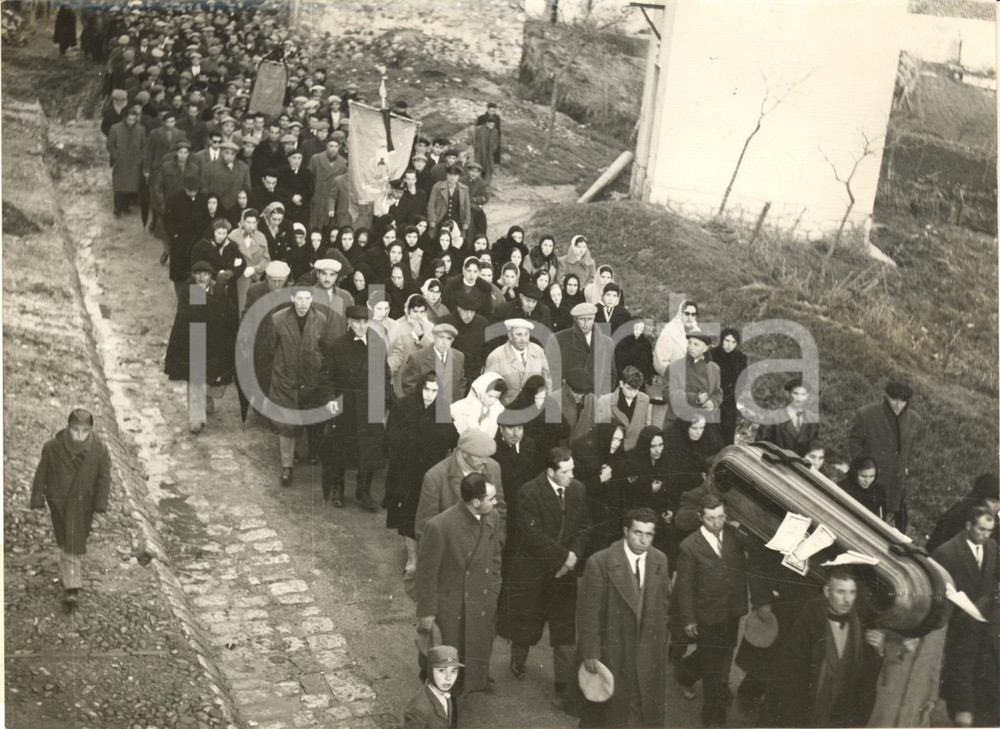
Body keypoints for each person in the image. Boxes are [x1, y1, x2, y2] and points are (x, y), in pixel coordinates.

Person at [500, 447, 590, 699]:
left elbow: (584, 526)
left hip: (565, 571)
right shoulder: (529, 492)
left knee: (564, 630)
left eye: (572, 470)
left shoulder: (578, 490)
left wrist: (573, 557)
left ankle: (563, 685)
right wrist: (564, 556)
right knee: (526, 623)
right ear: (550, 472)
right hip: (534, 570)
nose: (571, 476)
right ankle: (518, 660)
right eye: (565, 472)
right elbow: (533, 536)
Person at [674, 494, 767, 727]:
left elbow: (757, 551)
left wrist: (740, 529)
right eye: (710, 518)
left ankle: (684, 673)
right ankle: (713, 717)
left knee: (721, 653)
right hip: (706, 614)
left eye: (720, 517)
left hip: (732, 611)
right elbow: (684, 587)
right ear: (700, 517)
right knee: (714, 666)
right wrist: (688, 619)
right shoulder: (689, 546)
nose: (716, 523)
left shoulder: (734, 536)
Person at [577, 507, 672, 727]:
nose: (643, 540)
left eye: (649, 534)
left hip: (647, 652)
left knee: (641, 711)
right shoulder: (600, 562)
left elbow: (663, 604)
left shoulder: (659, 560)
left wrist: (661, 639)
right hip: (613, 652)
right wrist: (590, 652)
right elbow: (588, 613)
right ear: (626, 531)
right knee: (606, 715)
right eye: (637, 533)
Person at [415, 473, 503, 696]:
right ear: (476, 502)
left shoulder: (492, 517)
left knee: (477, 648)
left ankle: (474, 681)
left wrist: (494, 590)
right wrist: (427, 612)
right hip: (451, 607)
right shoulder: (440, 526)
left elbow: (495, 558)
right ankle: (444, 703)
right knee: (447, 657)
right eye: (491, 498)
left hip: (481, 600)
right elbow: (426, 574)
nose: (496, 503)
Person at [773, 569, 886, 728]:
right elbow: (790, 675)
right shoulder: (808, 622)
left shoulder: (860, 626)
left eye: (852, 593)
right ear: (827, 591)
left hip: (839, 713)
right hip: (807, 710)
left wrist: (879, 650)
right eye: (841, 592)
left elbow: (865, 678)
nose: (847, 600)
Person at [30, 408, 112, 612]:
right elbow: (41, 473)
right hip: (59, 501)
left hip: (84, 503)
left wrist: (101, 503)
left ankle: (71, 580)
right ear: (68, 428)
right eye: (75, 430)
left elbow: (104, 478)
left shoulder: (99, 449)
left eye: (84, 431)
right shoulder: (52, 447)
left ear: (91, 430)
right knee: (68, 541)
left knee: (75, 539)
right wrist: (38, 499)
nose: (79, 435)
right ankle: (72, 587)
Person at [931, 506, 999, 728]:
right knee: (961, 671)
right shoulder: (946, 553)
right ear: (968, 525)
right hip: (958, 627)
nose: (986, 535)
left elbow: (990, 582)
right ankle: (961, 710)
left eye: (990, 530)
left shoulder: (992, 547)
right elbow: (938, 594)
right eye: (981, 529)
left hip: (985, 625)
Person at [317, 305, 390, 511]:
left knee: (370, 450)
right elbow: (326, 376)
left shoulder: (377, 343)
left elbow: (384, 375)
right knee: (341, 449)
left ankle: (363, 492)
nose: (361, 326)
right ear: (348, 321)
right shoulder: (337, 345)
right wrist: (330, 399)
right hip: (346, 406)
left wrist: (383, 400)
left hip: (370, 405)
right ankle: (338, 490)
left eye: (365, 322)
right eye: (357, 322)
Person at [385, 372, 457, 574]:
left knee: (427, 511)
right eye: (426, 389)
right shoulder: (404, 405)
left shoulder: (442, 408)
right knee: (408, 513)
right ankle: (412, 558)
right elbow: (393, 436)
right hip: (406, 470)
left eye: (434, 391)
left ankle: (423, 552)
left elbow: (451, 436)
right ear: (420, 388)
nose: (429, 395)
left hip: (430, 469)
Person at [264, 287, 333, 487]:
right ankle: (287, 466)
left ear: (312, 299)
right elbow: (270, 349)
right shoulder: (278, 319)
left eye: (307, 298)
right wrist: (282, 371)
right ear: (292, 298)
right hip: (286, 379)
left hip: (310, 379)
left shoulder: (320, 319)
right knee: (287, 423)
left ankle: (306, 452)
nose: (303, 303)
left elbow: (323, 347)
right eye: (299, 298)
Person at [164, 260, 237, 434]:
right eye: (198, 274)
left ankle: (208, 396)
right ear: (193, 275)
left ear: (210, 275)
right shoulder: (190, 289)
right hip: (195, 336)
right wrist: (212, 307)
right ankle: (196, 418)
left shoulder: (218, 289)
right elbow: (193, 314)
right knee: (196, 377)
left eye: (205, 274)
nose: (202, 277)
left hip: (215, 338)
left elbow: (228, 311)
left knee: (214, 373)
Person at [847, 380, 924, 531]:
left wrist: (906, 466)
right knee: (857, 516)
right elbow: (854, 442)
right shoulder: (867, 414)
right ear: (886, 396)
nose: (898, 405)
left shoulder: (914, 420)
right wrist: (861, 467)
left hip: (894, 481)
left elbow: (913, 447)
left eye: (903, 401)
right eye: (894, 399)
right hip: (870, 477)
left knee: (883, 520)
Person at [414, 428, 506, 540]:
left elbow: (500, 509)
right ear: (464, 453)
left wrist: (498, 542)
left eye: (487, 456)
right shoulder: (435, 477)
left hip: (486, 544)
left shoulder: (494, 467)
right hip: (452, 546)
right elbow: (425, 527)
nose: (485, 461)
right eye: (479, 456)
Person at [572, 421, 637, 556]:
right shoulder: (583, 454)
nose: (616, 444)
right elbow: (574, 487)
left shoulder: (614, 454)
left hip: (608, 516)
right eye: (614, 439)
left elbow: (624, 466)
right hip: (587, 516)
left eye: (619, 440)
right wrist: (600, 479)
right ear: (605, 437)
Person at [493, 414, 543, 555]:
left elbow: (536, 474)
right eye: (510, 428)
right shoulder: (493, 449)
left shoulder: (530, 444)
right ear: (501, 429)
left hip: (526, 506)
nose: (516, 434)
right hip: (504, 507)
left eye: (520, 428)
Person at [554, 302, 616, 397]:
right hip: (568, 397)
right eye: (582, 319)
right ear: (575, 319)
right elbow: (553, 372)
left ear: (594, 319)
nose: (586, 323)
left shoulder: (607, 343)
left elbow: (610, 374)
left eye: (589, 319)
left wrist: (602, 395)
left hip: (596, 398)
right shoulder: (560, 339)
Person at [484, 318, 551, 406]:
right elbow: (488, 390)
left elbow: (547, 382)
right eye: (519, 335)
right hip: (508, 409)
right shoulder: (496, 357)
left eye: (526, 334)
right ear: (510, 336)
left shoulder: (538, 351)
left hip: (535, 407)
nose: (523, 339)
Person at [927, 473, 999, 552]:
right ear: (980, 499)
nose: (997, 506)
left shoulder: (994, 521)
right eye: (992, 501)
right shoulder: (960, 515)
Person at [163, 175, 209, 300]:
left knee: (198, 272)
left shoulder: (203, 199)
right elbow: (168, 220)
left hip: (197, 242)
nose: (193, 193)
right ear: (184, 188)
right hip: (180, 244)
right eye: (190, 190)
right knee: (179, 274)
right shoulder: (174, 199)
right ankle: (182, 300)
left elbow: (206, 219)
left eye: (195, 190)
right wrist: (175, 235)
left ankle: (197, 301)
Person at [662, 332, 722, 425]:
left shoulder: (714, 368)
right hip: (677, 421)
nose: (691, 347)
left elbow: (717, 392)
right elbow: (667, 393)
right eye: (689, 343)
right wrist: (694, 398)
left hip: (702, 422)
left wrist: (713, 402)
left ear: (705, 348)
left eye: (696, 344)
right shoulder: (675, 367)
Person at [398, 323, 467, 403]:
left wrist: (456, 402)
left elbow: (461, 382)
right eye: (441, 337)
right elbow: (409, 388)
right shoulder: (417, 358)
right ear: (434, 337)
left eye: (449, 339)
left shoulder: (459, 356)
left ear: (452, 340)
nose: (444, 342)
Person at [403, 645, 462, 729]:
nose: (449, 678)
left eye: (453, 671)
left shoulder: (444, 691)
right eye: (442, 670)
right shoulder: (419, 708)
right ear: (430, 671)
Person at [757, 376, 819, 456]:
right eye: (795, 393)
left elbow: (816, 450)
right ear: (788, 394)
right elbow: (760, 447)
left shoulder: (813, 420)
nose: (799, 399)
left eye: (803, 394)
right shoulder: (773, 418)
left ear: (807, 396)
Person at [595, 365, 652, 452]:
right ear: (621, 383)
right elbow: (599, 431)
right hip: (612, 450)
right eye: (629, 388)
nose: (632, 393)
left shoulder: (645, 399)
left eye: (636, 389)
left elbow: (646, 428)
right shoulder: (605, 401)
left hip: (635, 451)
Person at [107, 104, 148, 217]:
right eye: (129, 119)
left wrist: (141, 158)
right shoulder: (115, 128)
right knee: (119, 184)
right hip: (121, 161)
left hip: (134, 162)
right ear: (125, 118)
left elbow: (145, 145)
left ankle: (125, 205)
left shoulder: (141, 129)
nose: (131, 122)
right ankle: (117, 208)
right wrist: (116, 156)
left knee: (131, 185)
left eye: (133, 120)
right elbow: (110, 144)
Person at [710, 328, 747, 446]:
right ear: (722, 339)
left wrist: (735, 397)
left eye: (733, 342)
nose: (729, 345)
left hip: (729, 400)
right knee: (711, 432)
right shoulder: (712, 354)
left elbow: (742, 381)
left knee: (727, 433)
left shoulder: (740, 357)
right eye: (727, 340)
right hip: (712, 397)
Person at [450, 372, 506, 438]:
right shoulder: (456, 408)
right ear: (480, 391)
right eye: (490, 396)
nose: (493, 401)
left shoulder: (499, 409)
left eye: (497, 397)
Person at [653, 299, 700, 376]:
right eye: (687, 313)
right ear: (681, 313)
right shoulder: (669, 331)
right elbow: (661, 361)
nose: (690, 317)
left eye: (693, 314)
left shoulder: (697, 331)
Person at [839, 456, 888, 521]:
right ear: (855, 474)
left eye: (872, 476)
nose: (867, 480)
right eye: (863, 476)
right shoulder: (843, 487)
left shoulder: (879, 490)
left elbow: (882, 516)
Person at [427, 166, 470, 236]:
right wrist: (432, 220)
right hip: (440, 219)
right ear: (446, 175)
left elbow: (467, 207)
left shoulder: (464, 189)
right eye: (450, 175)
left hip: (457, 220)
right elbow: (431, 204)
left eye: (455, 175)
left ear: (458, 176)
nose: (452, 178)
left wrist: (466, 222)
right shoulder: (437, 186)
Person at [615, 320, 655, 392]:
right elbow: (618, 363)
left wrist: (648, 377)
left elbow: (649, 361)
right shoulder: (622, 342)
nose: (638, 331)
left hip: (640, 382)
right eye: (636, 328)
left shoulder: (646, 343)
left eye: (641, 329)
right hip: (625, 380)